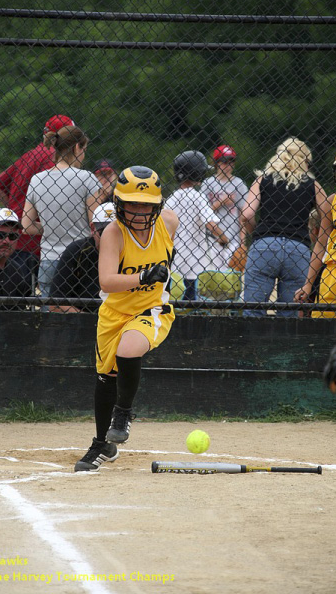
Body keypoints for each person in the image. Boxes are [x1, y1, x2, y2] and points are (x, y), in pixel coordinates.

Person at [74, 166, 179, 471]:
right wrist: (145, 276)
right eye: (131, 203)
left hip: (152, 309)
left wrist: (156, 281)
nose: (137, 211)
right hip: (114, 312)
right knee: (106, 378)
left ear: (157, 206)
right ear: (119, 203)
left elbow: (165, 255)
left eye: (145, 204)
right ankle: (101, 445)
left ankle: (125, 412)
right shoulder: (113, 233)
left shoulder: (168, 222)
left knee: (129, 349)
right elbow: (106, 281)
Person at [241, 137, 327, 317]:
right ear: (304, 161)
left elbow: (247, 214)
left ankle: (251, 344)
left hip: (264, 245)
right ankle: (285, 345)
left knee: (253, 310)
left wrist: (257, 233)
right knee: (290, 314)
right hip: (298, 247)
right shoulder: (313, 185)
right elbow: (328, 214)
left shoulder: (262, 180)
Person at [21, 125, 104, 308]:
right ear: (77, 148)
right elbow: (96, 223)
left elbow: (26, 225)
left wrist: (53, 226)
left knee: (51, 316)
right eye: (84, 150)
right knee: (83, 316)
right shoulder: (86, 178)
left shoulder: (37, 179)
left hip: (49, 258)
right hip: (81, 259)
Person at [0, 114, 75, 265]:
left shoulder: (31, 154)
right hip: (38, 239)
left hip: (16, 233)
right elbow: (56, 195)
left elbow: (0, 183)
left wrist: (15, 210)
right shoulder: (54, 158)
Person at [164, 150, 229, 300]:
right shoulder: (197, 196)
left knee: (175, 302)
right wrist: (223, 239)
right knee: (193, 302)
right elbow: (211, 224)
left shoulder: (172, 199)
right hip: (195, 264)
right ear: (197, 173)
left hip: (174, 262)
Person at [295, 143, 336, 318]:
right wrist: (308, 284)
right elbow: (320, 244)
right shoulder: (333, 200)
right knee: (324, 327)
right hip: (331, 272)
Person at [49, 202, 116, 313]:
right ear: (92, 228)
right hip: (85, 319)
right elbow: (55, 304)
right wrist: (90, 321)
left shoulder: (133, 251)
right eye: (104, 232)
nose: (110, 238)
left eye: (117, 233)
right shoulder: (77, 251)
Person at [201, 145, 248, 272]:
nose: (228, 166)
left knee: (232, 278)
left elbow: (243, 214)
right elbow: (202, 213)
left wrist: (243, 243)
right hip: (212, 238)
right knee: (213, 275)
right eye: (224, 162)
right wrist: (221, 202)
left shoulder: (239, 184)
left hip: (233, 239)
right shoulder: (208, 184)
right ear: (216, 163)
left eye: (231, 161)